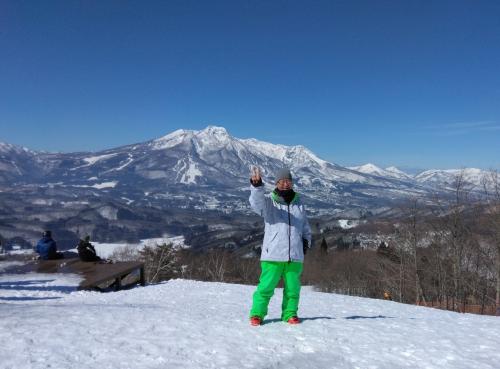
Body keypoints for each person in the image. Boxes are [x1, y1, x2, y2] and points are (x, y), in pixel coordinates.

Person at [248, 166, 312, 326]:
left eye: (288, 181)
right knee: (266, 288)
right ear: (276, 183)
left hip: (295, 255)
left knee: (293, 289)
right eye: (282, 181)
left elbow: (305, 225)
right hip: (273, 254)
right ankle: (257, 314)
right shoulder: (269, 202)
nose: (285, 184)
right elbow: (256, 203)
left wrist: (306, 241)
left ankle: (290, 314)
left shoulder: (299, 203)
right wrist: (257, 187)